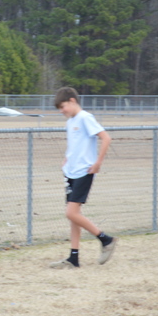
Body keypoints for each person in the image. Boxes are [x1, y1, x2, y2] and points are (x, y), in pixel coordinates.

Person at [50, 86, 117, 269]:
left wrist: (98, 163)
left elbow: (106, 138)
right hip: (70, 173)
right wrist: (66, 159)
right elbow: (75, 145)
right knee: (73, 217)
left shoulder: (85, 118)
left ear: (72, 101)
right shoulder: (70, 122)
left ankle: (106, 240)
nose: (61, 111)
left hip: (84, 172)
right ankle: (74, 258)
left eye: (63, 106)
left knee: (71, 213)